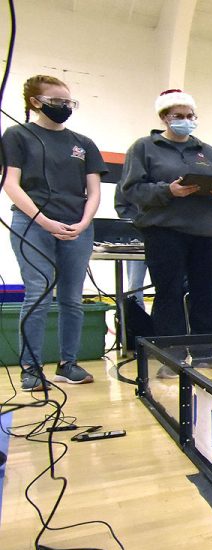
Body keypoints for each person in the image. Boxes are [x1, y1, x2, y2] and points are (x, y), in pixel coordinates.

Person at [118, 89, 212, 367]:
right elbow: (132, 190)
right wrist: (168, 191)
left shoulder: (207, 152)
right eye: (179, 116)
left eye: (190, 116)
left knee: (204, 293)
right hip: (164, 232)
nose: (186, 120)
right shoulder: (144, 148)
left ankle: (205, 353)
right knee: (168, 292)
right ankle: (172, 356)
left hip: (205, 233)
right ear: (164, 118)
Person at [2, 74, 105, 391]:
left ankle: (68, 364)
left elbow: (94, 190)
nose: (64, 107)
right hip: (32, 225)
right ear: (35, 102)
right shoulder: (17, 135)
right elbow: (10, 184)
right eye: (57, 102)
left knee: (73, 299)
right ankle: (31, 368)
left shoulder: (83, 143)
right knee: (39, 292)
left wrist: (84, 222)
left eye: (68, 102)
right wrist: (44, 221)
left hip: (77, 227)